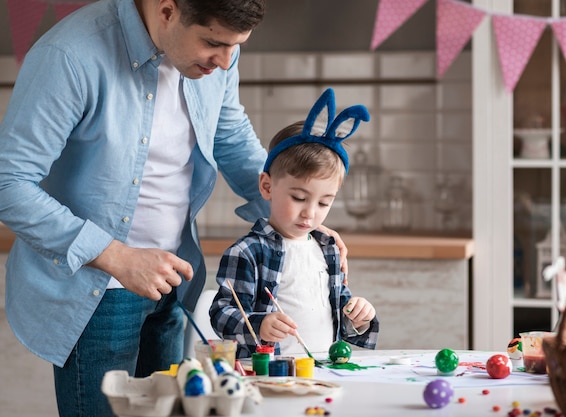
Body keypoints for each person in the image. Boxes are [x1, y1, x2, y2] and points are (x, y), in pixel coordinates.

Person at [0, 1, 345, 416]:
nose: (224, 61)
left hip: (175, 283)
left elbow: (230, 138)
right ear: (167, 11)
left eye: (236, 47)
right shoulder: (70, 56)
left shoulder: (218, 55)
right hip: (98, 290)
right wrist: (117, 256)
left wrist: (296, 222)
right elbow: (8, 183)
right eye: (214, 44)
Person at [210, 88, 380, 359]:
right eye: (299, 197)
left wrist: (357, 317)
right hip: (268, 374)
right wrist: (259, 325)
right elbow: (221, 314)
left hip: (324, 370)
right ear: (267, 186)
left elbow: (338, 311)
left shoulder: (327, 248)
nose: (310, 214)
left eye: (324, 203)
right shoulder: (247, 252)